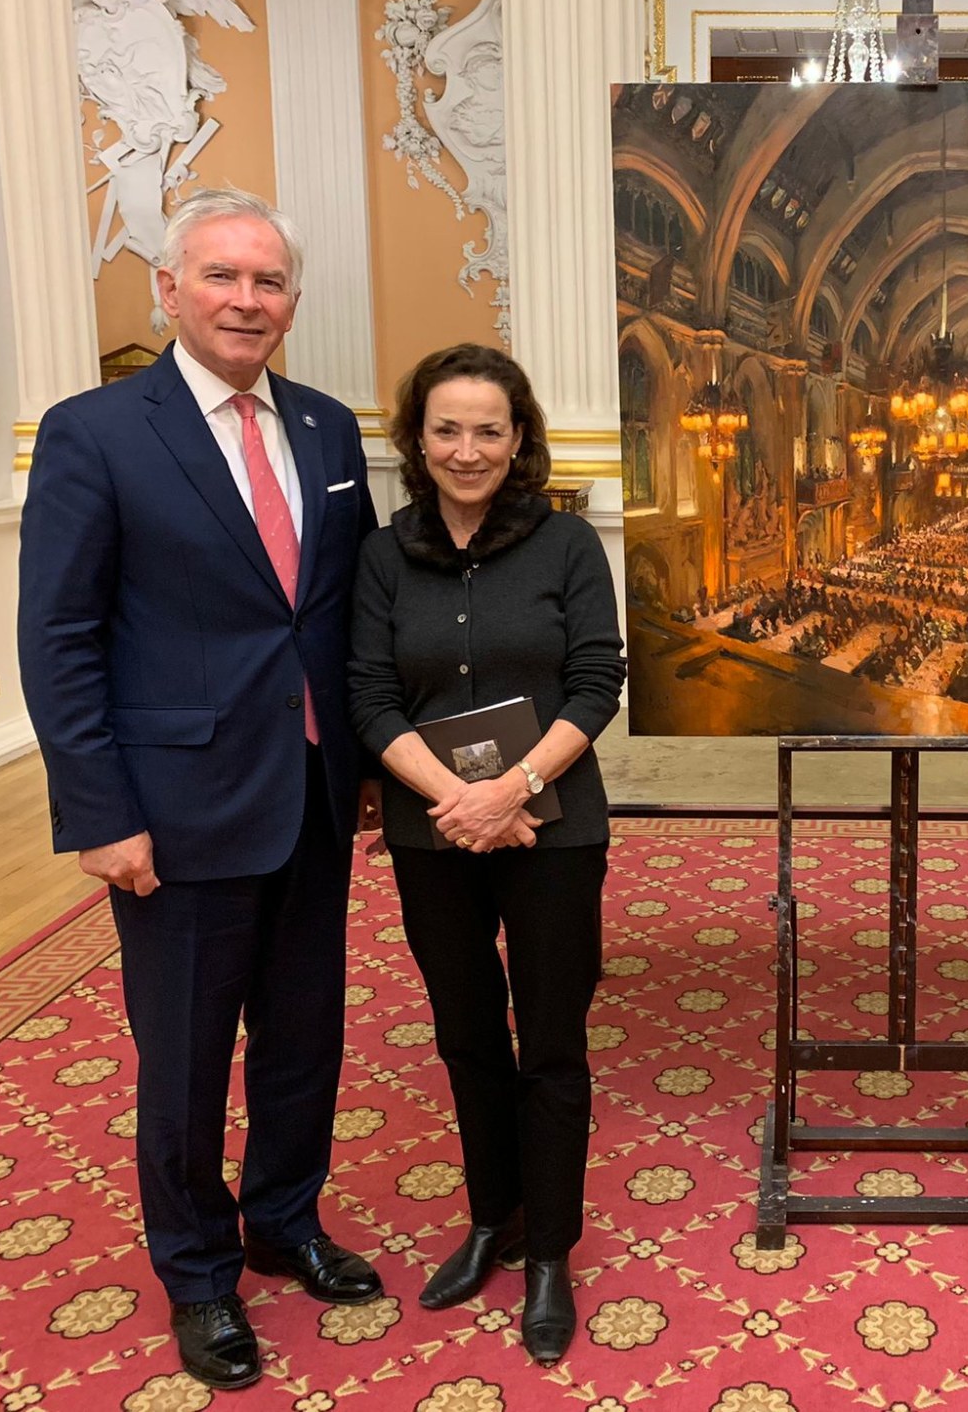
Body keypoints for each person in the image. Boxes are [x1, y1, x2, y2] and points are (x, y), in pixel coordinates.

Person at [18, 188, 382, 1391]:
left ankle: (284, 1220)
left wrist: (365, 766)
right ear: (167, 290)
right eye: (221, 276)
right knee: (182, 1060)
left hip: (312, 793)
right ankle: (198, 1274)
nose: (246, 299)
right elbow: (60, 636)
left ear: (292, 302)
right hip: (173, 811)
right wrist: (99, 811)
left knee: (304, 1037)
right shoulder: (95, 431)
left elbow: (341, 615)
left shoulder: (327, 431)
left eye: (268, 281)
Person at [348, 343, 626, 1365]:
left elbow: (597, 681)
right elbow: (369, 694)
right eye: (447, 429)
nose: (467, 450)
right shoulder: (382, 556)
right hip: (433, 834)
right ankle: (489, 1219)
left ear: (519, 441)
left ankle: (548, 1250)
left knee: (550, 1043)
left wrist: (512, 790)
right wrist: (456, 799)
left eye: (488, 431)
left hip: (553, 832)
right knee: (466, 1037)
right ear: (416, 440)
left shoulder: (566, 544)